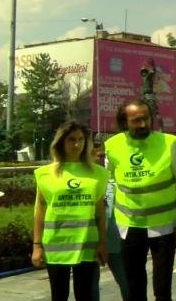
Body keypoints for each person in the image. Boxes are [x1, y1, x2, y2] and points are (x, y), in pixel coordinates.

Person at [105, 99, 176, 301]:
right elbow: (110, 181)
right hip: (129, 225)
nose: (142, 124)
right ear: (125, 122)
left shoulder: (169, 143)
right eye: (136, 120)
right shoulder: (112, 146)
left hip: (163, 226)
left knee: (162, 285)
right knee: (134, 285)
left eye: (145, 119)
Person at [33, 121, 108, 301]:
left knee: (85, 295)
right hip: (56, 245)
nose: (77, 144)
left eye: (81, 139)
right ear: (61, 142)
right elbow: (39, 211)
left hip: (86, 244)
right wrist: (36, 246)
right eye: (71, 139)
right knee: (59, 295)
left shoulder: (98, 173)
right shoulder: (44, 174)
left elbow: (100, 212)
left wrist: (102, 243)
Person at [92, 141, 131, 301]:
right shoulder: (87, 183)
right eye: (95, 155)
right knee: (90, 288)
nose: (99, 159)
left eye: (102, 155)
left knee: (128, 284)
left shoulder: (115, 182)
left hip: (116, 244)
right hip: (91, 245)